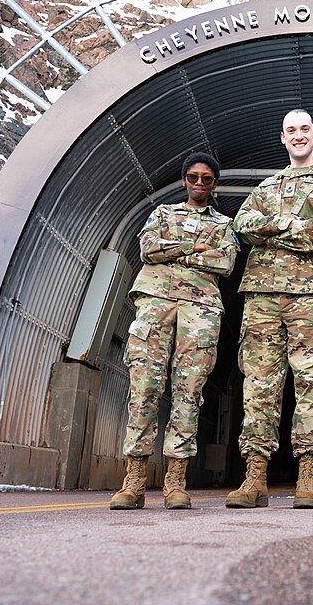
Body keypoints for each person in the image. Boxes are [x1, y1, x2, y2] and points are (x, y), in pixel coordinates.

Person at [226, 109, 313, 509]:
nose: (298, 136)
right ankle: (255, 476)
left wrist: (273, 227)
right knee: (258, 385)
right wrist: (295, 224)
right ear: (282, 138)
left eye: (304, 130)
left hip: (311, 297)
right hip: (261, 296)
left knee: (311, 383)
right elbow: (242, 226)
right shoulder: (265, 186)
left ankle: (308, 477)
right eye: (291, 131)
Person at [111, 152, 238, 510]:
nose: (199, 184)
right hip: (155, 304)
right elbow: (148, 249)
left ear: (215, 184)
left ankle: (176, 481)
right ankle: (133, 481)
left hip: (201, 311)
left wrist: (174, 252)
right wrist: (194, 248)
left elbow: (225, 261)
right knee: (144, 390)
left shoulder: (225, 225)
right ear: (184, 180)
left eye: (207, 179)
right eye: (193, 177)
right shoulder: (162, 213)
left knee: (189, 393)